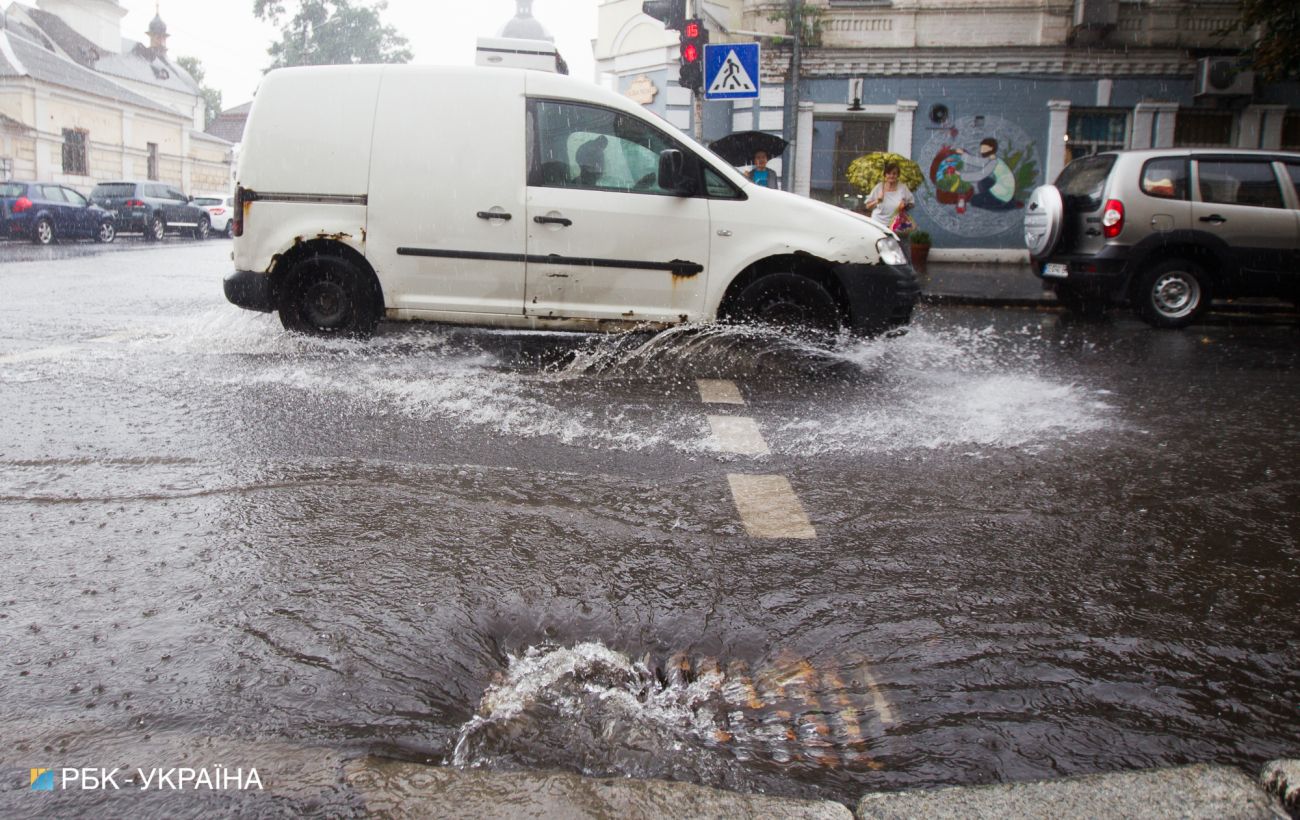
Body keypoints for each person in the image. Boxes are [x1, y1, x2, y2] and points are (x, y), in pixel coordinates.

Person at [956, 138, 1016, 211]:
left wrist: (961, 175)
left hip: (1003, 195)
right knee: (983, 182)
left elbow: (980, 175)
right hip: (1002, 188)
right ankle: (992, 199)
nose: (981, 150)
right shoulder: (992, 158)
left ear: (991, 148)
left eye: (984, 148)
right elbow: (978, 162)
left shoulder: (994, 162)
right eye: (981, 148)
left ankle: (1004, 204)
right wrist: (963, 154)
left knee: (973, 200)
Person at [863, 161, 915, 231]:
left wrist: (904, 206)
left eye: (894, 173)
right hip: (877, 223)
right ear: (885, 175)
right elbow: (867, 206)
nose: (891, 176)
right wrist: (877, 200)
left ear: (898, 175)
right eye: (888, 173)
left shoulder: (903, 188)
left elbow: (912, 204)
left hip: (896, 225)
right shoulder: (879, 187)